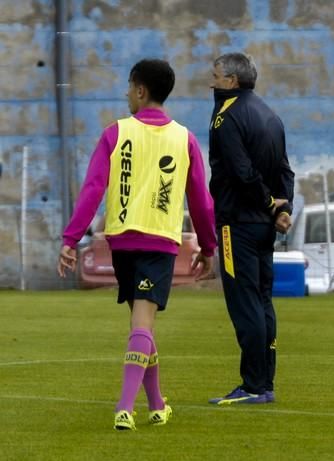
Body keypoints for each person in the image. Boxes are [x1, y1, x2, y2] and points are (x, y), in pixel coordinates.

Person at [57, 59, 217, 430]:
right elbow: (201, 200)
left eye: (129, 87)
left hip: (123, 244)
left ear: (141, 90)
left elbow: (93, 189)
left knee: (140, 324)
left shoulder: (115, 133)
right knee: (142, 324)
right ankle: (125, 407)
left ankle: (158, 404)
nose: (127, 94)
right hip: (159, 243)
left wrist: (70, 238)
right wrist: (207, 247)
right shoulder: (185, 138)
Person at [206, 52, 294, 405]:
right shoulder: (270, 114)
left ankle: (254, 384)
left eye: (215, 76)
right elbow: (285, 170)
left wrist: (269, 204)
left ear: (231, 81)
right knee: (261, 300)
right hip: (263, 225)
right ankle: (264, 381)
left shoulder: (225, 116)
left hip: (237, 223)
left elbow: (242, 172)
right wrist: (283, 206)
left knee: (245, 303)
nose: (210, 82)